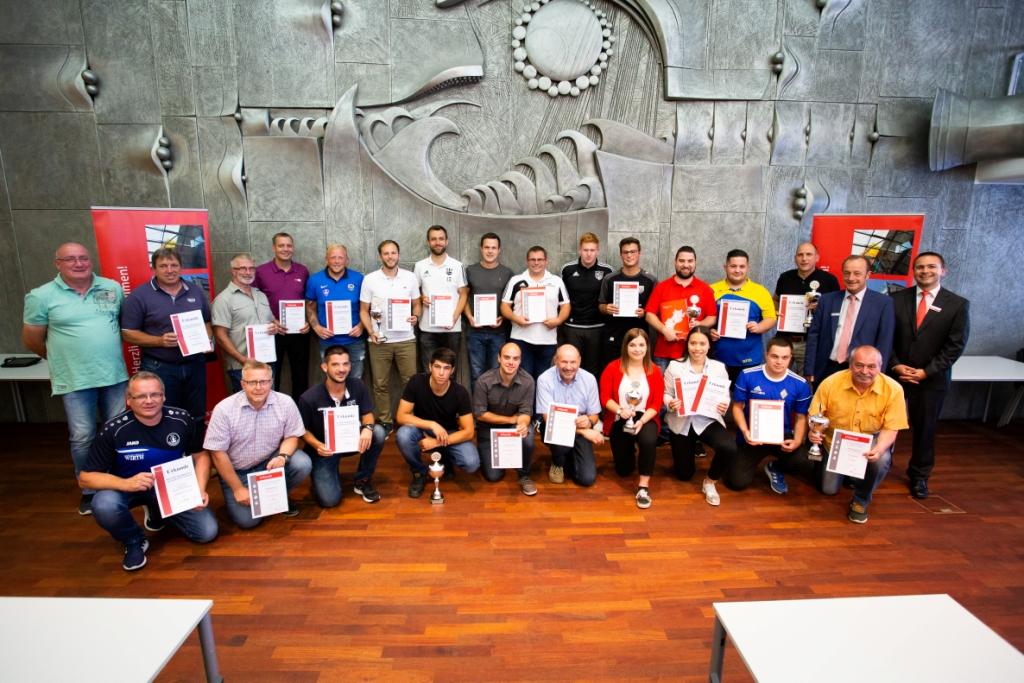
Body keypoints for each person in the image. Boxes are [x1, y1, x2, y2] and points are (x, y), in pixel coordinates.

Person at [22, 242, 129, 515]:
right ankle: (89, 490)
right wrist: (65, 359)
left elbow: (121, 326)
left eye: (83, 258)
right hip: (74, 379)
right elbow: (32, 340)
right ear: (57, 264)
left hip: (114, 375)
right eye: (70, 259)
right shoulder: (41, 296)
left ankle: (119, 483)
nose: (78, 263)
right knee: (83, 436)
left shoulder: (112, 287)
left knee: (118, 431)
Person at [79, 372, 218, 571]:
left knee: (207, 532)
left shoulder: (182, 419)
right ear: (129, 400)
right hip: (126, 487)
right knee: (103, 504)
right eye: (141, 396)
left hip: (170, 487)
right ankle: (133, 540)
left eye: (155, 394)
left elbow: (201, 456)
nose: (149, 401)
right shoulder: (113, 430)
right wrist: (126, 483)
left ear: (164, 396)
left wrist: (199, 489)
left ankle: (157, 510)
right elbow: (85, 478)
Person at [889, 251, 969, 499]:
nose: (925, 271)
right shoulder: (895, 300)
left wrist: (927, 371)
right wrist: (895, 365)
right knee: (881, 423)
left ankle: (919, 476)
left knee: (925, 430)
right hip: (895, 375)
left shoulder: (957, 305)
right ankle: (877, 465)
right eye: (920, 267)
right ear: (914, 271)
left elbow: (955, 346)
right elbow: (886, 336)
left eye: (931, 267)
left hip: (931, 380)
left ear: (943, 271)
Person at [204, 360, 313, 528]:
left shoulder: (285, 402)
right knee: (248, 522)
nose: (258, 387)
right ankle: (262, 497)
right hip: (238, 471)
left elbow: (292, 436)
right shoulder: (224, 409)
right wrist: (238, 489)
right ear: (242, 384)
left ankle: (277, 496)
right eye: (252, 382)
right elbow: (217, 453)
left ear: (271, 382)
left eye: (263, 381)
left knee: (301, 463)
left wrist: (283, 457)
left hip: (269, 463)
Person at [809, 345, 908, 524]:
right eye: (859, 365)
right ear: (850, 364)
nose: (865, 371)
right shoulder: (830, 383)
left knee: (881, 459)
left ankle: (861, 500)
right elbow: (816, 416)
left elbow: (891, 428)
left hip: (870, 442)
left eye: (871, 366)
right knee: (828, 489)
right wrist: (814, 433)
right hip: (835, 443)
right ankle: (851, 475)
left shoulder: (894, 389)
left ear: (880, 366)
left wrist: (879, 449)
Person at [121, 247, 212, 423]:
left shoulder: (195, 291)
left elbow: (207, 322)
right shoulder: (139, 296)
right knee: (164, 415)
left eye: (174, 265)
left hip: (195, 365)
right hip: (160, 367)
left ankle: (195, 442)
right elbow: (128, 334)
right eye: (163, 266)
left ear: (181, 267)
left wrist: (207, 339)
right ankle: (171, 443)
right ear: (154, 268)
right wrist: (159, 341)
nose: (169, 270)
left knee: (197, 414)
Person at [297, 345, 386, 506]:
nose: (341, 369)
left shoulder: (358, 386)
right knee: (329, 500)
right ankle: (325, 474)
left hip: (351, 441)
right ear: (325, 367)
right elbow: (303, 430)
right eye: (335, 364)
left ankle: (363, 479)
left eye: (345, 364)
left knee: (377, 432)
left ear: (350, 366)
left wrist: (367, 429)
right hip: (325, 450)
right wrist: (317, 445)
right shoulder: (309, 398)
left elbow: (367, 414)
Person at [662, 327, 736, 506]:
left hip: (707, 420)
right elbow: (666, 393)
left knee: (728, 447)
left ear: (709, 345)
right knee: (684, 475)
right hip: (681, 421)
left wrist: (724, 404)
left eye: (702, 343)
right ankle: (690, 446)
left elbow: (724, 396)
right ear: (687, 344)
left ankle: (710, 482)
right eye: (693, 343)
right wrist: (670, 403)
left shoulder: (718, 368)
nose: (697, 348)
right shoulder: (675, 366)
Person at [730, 337, 812, 494]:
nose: (779, 362)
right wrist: (745, 432)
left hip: (782, 437)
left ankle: (775, 467)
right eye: (775, 356)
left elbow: (801, 417)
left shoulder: (800, 384)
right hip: (752, 436)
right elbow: (737, 408)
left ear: (790, 358)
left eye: (785, 357)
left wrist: (797, 440)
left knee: (804, 462)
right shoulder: (747, 375)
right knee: (737, 482)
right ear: (766, 355)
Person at [395, 347, 480, 498]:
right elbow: (401, 416)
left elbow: (469, 432)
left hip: (448, 433)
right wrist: (431, 424)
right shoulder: (416, 382)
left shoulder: (460, 392)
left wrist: (436, 442)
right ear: (430, 366)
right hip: (422, 429)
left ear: (452, 370)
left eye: (446, 368)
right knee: (403, 435)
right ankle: (419, 472)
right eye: (437, 367)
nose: (441, 373)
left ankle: (445, 458)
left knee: (472, 463)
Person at [359, 240, 421, 433]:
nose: (390, 256)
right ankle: (385, 421)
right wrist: (371, 332)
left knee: (411, 383)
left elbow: (417, 304)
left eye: (393, 253)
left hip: (406, 340)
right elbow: (363, 311)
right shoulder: (370, 279)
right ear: (380, 256)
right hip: (379, 340)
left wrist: (416, 316)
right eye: (386, 253)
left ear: (398, 255)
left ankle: (410, 420)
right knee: (380, 384)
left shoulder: (410, 277)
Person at [804, 255, 895, 386]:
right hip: (826, 369)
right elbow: (814, 335)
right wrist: (809, 369)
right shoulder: (827, 300)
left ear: (868, 275)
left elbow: (884, 342)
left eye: (857, 273)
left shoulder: (883, 303)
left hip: (862, 373)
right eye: (847, 273)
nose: (851, 278)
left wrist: (879, 376)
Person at [599, 329, 664, 508]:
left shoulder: (655, 371)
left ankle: (643, 487)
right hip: (620, 414)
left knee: (648, 441)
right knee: (624, 470)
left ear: (647, 347)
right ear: (625, 347)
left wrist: (642, 421)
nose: (637, 349)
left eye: (641, 345)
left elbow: (657, 403)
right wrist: (620, 410)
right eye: (633, 345)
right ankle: (630, 449)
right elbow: (605, 397)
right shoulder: (613, 367)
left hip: (645, 415)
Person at [473, 342, 538, 496]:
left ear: (520, 360)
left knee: (527, 438)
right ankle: (492, 455)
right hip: (488, 430)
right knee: (493, 476)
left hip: (512, 428)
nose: (511, 362)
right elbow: (480, 414)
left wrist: (522, 424)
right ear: (499, 358)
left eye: (515, 358)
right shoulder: (483, 381)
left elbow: (525, 412)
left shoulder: (528, 381)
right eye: (507, 357)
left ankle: (524, 475)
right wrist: (511, 420)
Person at [211, 252, 281, 393]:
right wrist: (243, 359)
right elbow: (220, 336)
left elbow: (271, 321)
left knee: (268, 402)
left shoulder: (261, 295)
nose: (248, 272)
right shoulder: (223, 300)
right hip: (242, 367)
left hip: (266, 364)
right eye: (243, 268)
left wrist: (275, 327)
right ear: (233, 271)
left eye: (251, 268)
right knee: (247, 404)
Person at [535, 344, 603, 487]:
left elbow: (594, 414)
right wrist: (584, 432)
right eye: (564, 362)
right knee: (560, 445)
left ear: (579, 361)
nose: (568, 367)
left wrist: (589, 422)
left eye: (573, 362)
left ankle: (569, 456)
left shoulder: (589, 379)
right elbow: (549, 420)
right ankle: (558, 461)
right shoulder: (544, 379)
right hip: (554, 428)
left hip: (581, 427)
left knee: (586, 479)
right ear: (556, 361)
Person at [253, 232, 311, 398]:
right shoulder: (261, 271)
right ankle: (272, 409)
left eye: (289, 245)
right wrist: (270, 321)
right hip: (271, 331)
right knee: (271, 374)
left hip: (299, 332)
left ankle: (300, 411)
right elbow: (253, 300)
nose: (286, 249)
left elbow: (309, 301)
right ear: (274, 248)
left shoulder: (302, 271)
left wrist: (308, 321)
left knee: (300, 375)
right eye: (281, 245)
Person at [644, 245, 717, 375]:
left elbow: (712, 317)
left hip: (695, 354)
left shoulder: (705, 289)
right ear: (675, 262)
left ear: (695, 263)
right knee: (663, 388)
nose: (686, 265)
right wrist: (664, 330)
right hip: (664, 353)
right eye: (682, 261)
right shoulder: (662, 287)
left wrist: (700, 324)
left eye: (690, 261)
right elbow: (649, 315)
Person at [500, 246, 571, 381]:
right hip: (521, 338)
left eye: (540, 259)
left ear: (546, 261)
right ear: (527, 261)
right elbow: (504, 306)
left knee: (543, 380)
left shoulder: (556, 281)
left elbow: (566, 306)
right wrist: (516, 319)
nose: (536, 263)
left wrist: (558, 321)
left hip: (547, 340)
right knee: (522, 380)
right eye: (533, 260)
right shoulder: (516, 280)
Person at [710, 249, 777, 381]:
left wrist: (759, 327)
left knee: (744, 393)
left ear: (747, 268)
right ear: (725, 267)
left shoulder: (760, 291)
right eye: (733, 266)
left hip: (749, 357)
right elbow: (704, 318)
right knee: (717, 393)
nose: (737, 270)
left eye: (742, 266)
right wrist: (709, 331)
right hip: (717, 357)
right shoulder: (711, 290)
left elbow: (771, 318)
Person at [773, 242, 840, 372]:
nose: (804, 258)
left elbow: (837, 310)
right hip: (783, 339)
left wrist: (821, 308)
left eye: (809, 254)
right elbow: (775, 299)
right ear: (795, 258)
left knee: (805, 380)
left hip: (810, 342)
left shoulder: (829, 280)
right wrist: (775, 312)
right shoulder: (785, 277)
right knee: (776, 375)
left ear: (817, 257)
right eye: (800, 255)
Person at [306, 244, 366, 379]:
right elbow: (310, 307)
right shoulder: (315, 280)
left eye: (340, 257)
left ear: (347, 260)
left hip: (354, 340)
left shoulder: (359, 279)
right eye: (333, 257)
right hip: (328, 341)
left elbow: (367, 306)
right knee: (332, 379)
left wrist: (361, 326)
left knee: (355, 379)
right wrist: (316, 327)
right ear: (326, 259)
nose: (337, 261)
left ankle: (352, 395)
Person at [414, 225, 468, 371]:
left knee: (450, 372)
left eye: (441, 239)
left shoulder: (457, 266)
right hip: (427, 329)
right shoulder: (419, 266)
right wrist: (421, 298)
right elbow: (414, 293)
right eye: (433, 239)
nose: (437, 242)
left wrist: (455, 317)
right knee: (428, 371)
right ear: (428, 242)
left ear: (446, 241)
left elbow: (464, 294)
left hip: (452, 329)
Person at [560, 232, 613, 377]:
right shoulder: (567, 269)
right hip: (572, 327)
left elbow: (611, 299)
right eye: (585, 250)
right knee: (571, 367)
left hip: (597, 328)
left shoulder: (607, 271)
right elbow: (561, 298)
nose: (589, 254)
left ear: (598, 251)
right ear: (580, 250)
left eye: (592, 250)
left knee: (593, 369)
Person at [598, 237, 656, 368]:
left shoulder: (650, 280)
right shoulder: (609, 279)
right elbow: (600, 305)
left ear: (639, 253)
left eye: (633, 252)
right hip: (614, 336)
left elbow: (655, 311)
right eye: (625, 252)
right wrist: (606, 308)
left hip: (639, 339)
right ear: (621, 254)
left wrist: (645, 312)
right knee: (612, 371)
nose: (629, 255)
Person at [465, 232, 514, 387]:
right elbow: (463, 298)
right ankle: (478, 404)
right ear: (481, 249)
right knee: (476, 374)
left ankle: (493, 403)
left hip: (498, 332)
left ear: (499, 250)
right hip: (475, 331)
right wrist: (469, 317)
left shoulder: (507, 273)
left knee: (497, 373)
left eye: (493, 248)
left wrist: (503, 317)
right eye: (487, 247)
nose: (490, 251)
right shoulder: (470, 271)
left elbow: (512, 302)